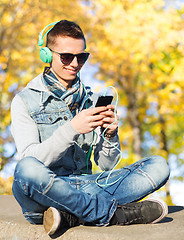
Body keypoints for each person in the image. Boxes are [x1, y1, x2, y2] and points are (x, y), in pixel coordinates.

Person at [11, 20, 170, 236]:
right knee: (25, 169)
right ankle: (114, 215)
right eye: (66, 57)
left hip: (88, 186)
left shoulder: (92, 100)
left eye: (82, 57)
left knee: (158, 165)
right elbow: (31, 160)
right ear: (47, 56)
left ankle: (71, 216)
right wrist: (72, 129)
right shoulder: (24, 101)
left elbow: (106, 166)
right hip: (45, 193)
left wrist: (110, 135)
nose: (75, 63)